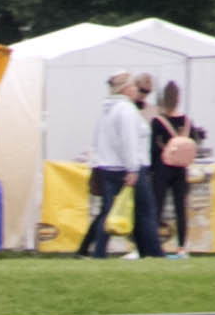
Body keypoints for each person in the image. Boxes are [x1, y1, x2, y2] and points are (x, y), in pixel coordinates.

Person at [82, 70, 159, 258]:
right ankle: (153, 252)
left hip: (107, 166)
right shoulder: (126, 110)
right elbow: (128, 141)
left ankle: (98, 252)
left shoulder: (107, 109)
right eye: (133, 86)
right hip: (127, 167)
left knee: (109, 211)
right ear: (126, 89)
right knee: (145, 211)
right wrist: (132, 168)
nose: (136, 90)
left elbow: (100, 139)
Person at [146, 79, 198, 256]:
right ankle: (182, 246)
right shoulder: (186, 121)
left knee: (157, 207)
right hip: (181, 169)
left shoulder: (157, 121)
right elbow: (194, 142)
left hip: (162, 169)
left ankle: (155, 245)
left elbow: (152, 149)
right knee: (180, 208)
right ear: (178, 98)